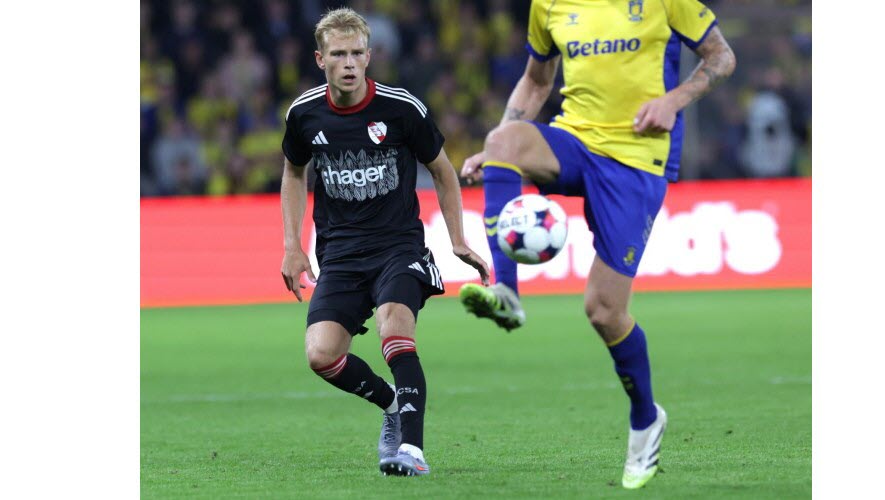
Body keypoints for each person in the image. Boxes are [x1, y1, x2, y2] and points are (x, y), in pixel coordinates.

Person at [458, 0, 735, 490]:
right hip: (575, 139)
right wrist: (501, 139)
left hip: (636, 158)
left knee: (604, 311)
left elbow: (721, 57)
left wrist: (673, 100)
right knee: (503, 142)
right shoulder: (548, 5)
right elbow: (537, 81)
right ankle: (507, 293)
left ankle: (646, 418)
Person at [279, 8, 490, 477]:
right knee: (321, 354)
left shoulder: (401, 108)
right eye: (339, 54)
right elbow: (294, 172)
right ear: (320, 59)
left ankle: (411, 451)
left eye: (357, 53)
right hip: (340, 254)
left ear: (369, 55)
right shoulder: (304, 114)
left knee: (395, 329)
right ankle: (394, 405)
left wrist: (456, 239)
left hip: (398, 246)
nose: (349, 62)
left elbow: (442, 170)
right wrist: (293, 246)